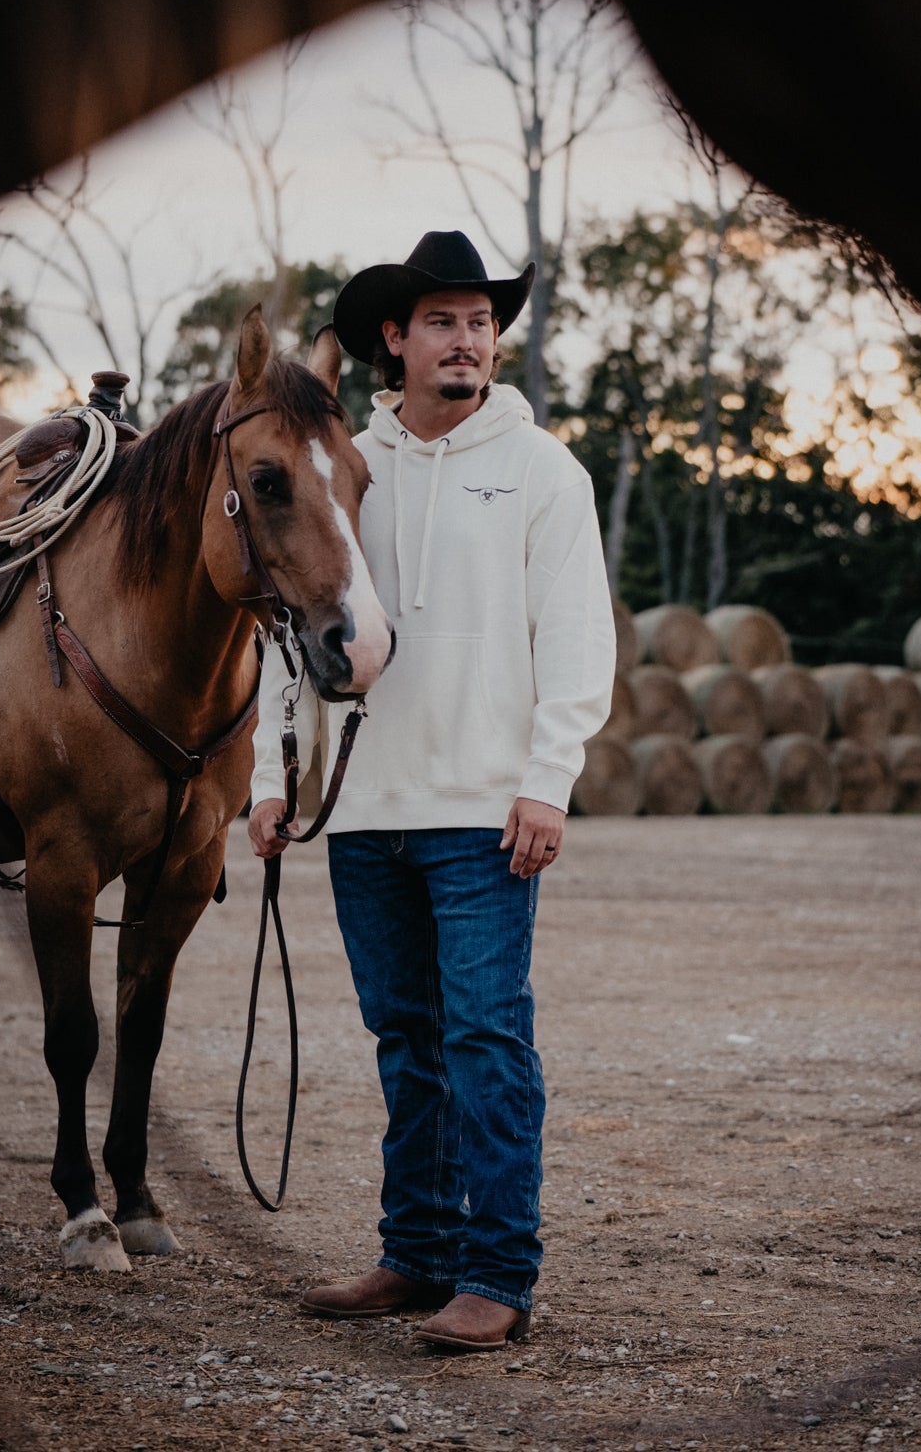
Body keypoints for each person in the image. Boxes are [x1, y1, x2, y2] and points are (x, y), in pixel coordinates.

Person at [247, 229, 615, 1352]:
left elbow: (580, 639)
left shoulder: (543, 470)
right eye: (445, 323)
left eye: (482, 323)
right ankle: (415, 1255)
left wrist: (547, 784)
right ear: (393, 341)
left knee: (486, 1043)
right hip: (364, 811)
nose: (468, 342)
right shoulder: (343, 464)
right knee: (405, 1042)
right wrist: (274, 779)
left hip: (484, 813)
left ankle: (497, 1275)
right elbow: (289, 629)